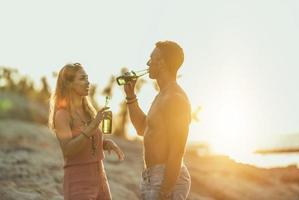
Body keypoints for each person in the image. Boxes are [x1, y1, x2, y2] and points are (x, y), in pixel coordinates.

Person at [123, 41, 191, 200]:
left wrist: (166, 190)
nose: (148, 63)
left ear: (161, 63)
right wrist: (130, 96)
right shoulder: (162, 96)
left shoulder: (175, 98)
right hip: (152, 177)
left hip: (166, 178)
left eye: (151, 58)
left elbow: (177, 150)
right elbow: (142, 128)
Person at [48, 62, 124, 200]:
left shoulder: (88, 112)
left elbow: (88, 142)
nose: (88, 82)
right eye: (82, 78)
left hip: (101, 179)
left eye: (87, 78)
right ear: (68, 84)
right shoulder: (62, 115)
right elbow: (68, 150)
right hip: (78, 181)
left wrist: (106, 144)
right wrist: (93, 126)